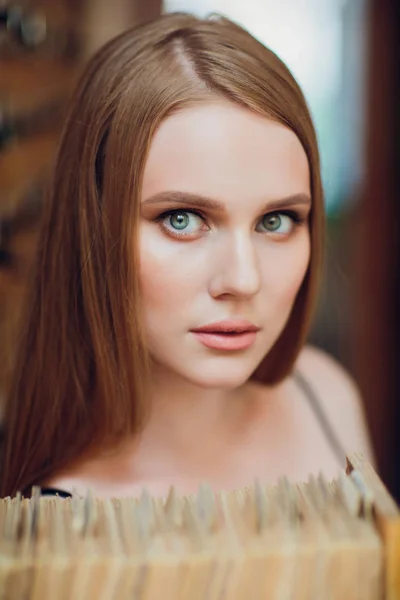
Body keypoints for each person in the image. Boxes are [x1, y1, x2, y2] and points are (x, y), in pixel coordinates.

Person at [0, 13, 374, 499]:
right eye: (183, 219)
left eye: (275, 221)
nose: (243, 279)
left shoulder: (324, 396)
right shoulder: (52, 515)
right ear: (93, 229)